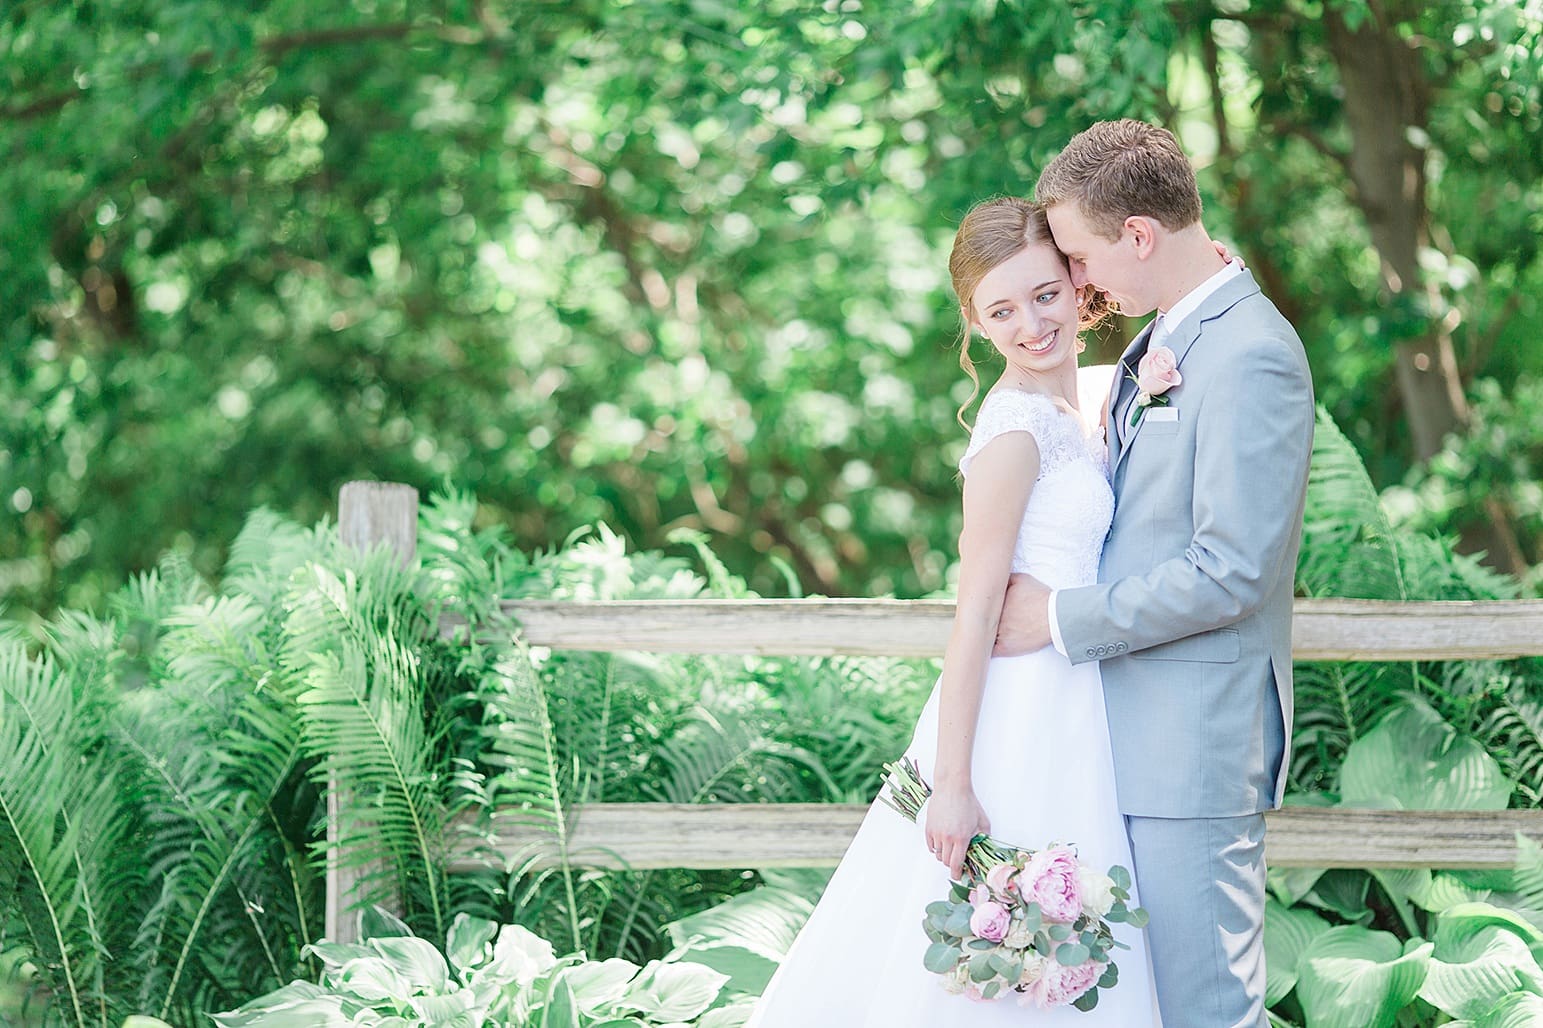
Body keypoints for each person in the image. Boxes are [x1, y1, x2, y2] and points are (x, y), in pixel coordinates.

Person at [746, 196, 1162, 1026]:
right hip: (1016, 716)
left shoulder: (1084, 399)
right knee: (995, 961)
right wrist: (954, 784)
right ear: (973, 322)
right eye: (1000, 310)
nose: (1031, 324)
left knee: (1069, 951)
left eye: (1044, 294)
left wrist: (1144, 377)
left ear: (1077, 286)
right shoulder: (1012, 434)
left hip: (1082, 705)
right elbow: (971, 615)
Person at [993, 119, 1315, 1027]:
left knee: (1207, 1010)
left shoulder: (1249, 354)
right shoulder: (1172, 337)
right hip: (1121, 737)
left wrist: (1058, 618)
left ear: (1138, 235)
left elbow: (1231, 571)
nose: (1078, 283)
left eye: (1083, 258)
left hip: (1193, 748)